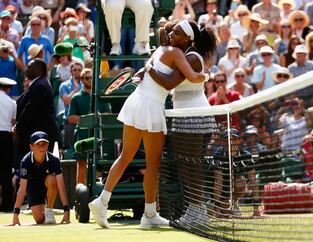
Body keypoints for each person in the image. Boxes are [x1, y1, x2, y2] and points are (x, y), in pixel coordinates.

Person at [88, 20, 213, 229]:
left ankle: (102, 201)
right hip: (151, 106)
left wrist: (147, 69)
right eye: (173, 30)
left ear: (188, 38)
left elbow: (143, 76)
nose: (172, 33)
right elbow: (183, 79)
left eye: (177, 32)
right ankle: (149, 213)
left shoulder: (158, 51)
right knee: (153, 163)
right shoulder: (176, 53)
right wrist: (206, 75)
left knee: (126, 156)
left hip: (136, 101)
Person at [11, 131, 70, 225]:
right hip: (33, 187)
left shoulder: (54, 160)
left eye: (44, 144)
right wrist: (16, 214)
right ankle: (43, 211)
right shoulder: (25, 162)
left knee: (52, 179)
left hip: (48, 184)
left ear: (48, 145)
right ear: (31, 147)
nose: (42, 147)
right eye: (38, 144)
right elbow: (22, 189)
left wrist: (66, 211)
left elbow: (61, 186)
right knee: (40, 220)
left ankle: (49, 209)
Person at [68, 68, 111, 184]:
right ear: (81, 80)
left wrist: (96, 118)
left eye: (92, 78)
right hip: (82, 135)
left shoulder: (101, 96)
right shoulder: (76, 98)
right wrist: (88, 119)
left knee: (100, 166)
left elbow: (108, 115)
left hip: (99, 135)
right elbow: (71, 118)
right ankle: (81, 196)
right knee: (81, 166)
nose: (90, 80)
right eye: (87, 78)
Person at [15, 59, 59, 165]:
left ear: (39, 70)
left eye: (29, 67)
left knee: (37, 172)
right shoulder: (38, 83)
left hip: (39, 136)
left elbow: (29, 110)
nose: (26, 69)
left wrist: (18, 128)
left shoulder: (41, 86)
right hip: (35, 134)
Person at [0, 77, 16, 211]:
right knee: (6, 172)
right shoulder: (12, 103)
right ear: (8, 88)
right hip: (6, 137)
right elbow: (13, 123)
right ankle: (6, 205)